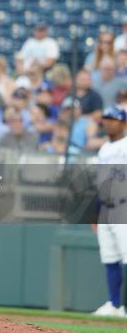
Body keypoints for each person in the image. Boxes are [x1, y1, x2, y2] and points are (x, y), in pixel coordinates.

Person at [91, 106, 127, 318]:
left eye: (113, 119)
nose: (108, 122)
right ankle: (114, 304)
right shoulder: (104, 149)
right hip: (106, 207)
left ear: (123, 123)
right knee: (110, 256)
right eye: (106, 118)